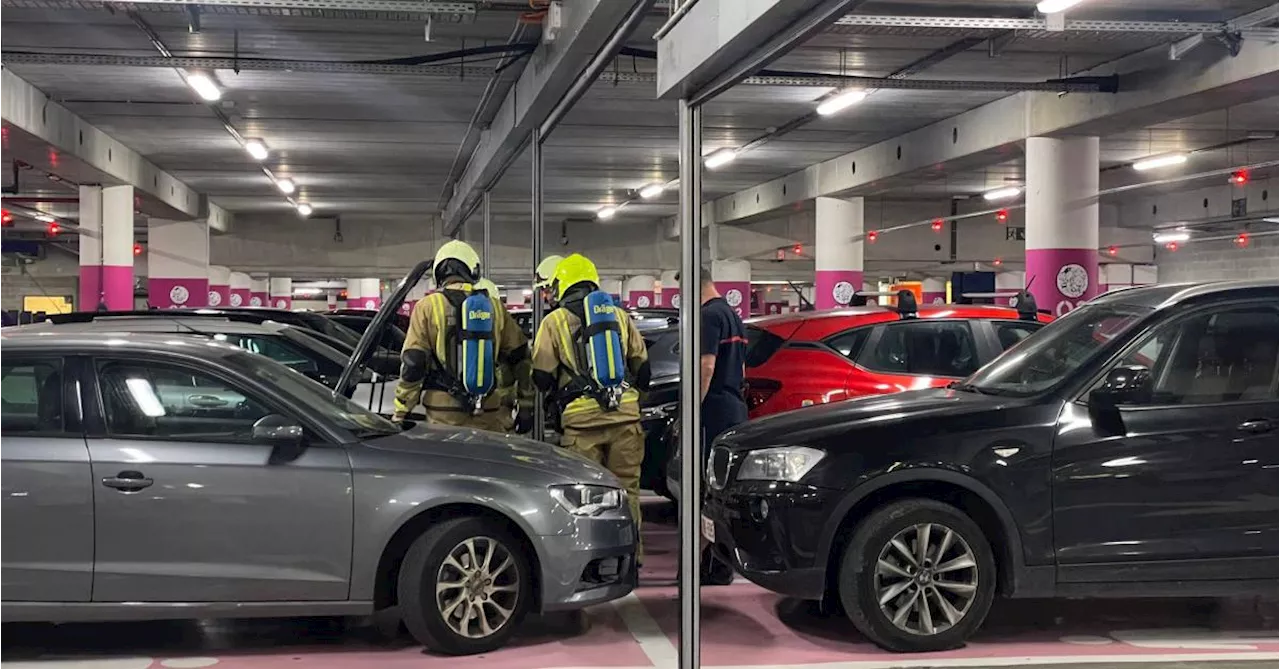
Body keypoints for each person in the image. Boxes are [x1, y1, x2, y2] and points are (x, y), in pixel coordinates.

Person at [531, 254, 651, 555]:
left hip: (581, 422)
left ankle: (596, 558)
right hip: (625, 417)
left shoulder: (554, 321)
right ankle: (632, 556)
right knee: (628, 491)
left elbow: (541, 377)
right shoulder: (619, 316)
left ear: (563, 283)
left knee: (587, 498)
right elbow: (643, 369)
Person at [393, 240, 532, 433]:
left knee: (451, 462)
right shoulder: (494, 306)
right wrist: (526, 405)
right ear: (472, 271)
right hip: (488, 407)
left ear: (439, 273)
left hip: (442, 410)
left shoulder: (427, 306)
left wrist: (402, 410)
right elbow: (520, 356)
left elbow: (414, 362)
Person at [695, 266, 748, 585]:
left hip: (714, 410)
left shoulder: (708, 316)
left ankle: (708, 564)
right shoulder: (732, 314)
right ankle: (721, 562)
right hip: (734, 409)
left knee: (708, 490)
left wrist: (692, 407)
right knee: (722, 490)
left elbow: (706, 364)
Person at [475, 277, 532, 433]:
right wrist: (526, 407)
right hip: (499, 408)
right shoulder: (504, 328)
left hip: (456, 408)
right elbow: (522, 362)